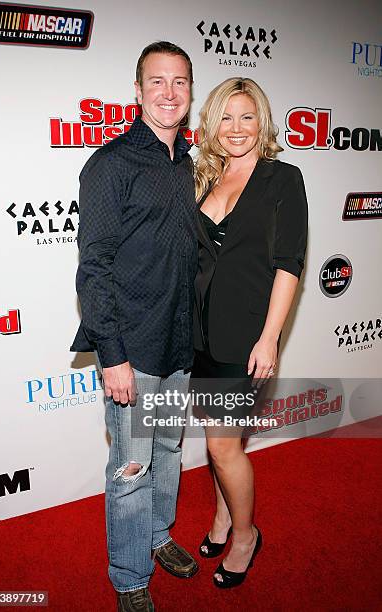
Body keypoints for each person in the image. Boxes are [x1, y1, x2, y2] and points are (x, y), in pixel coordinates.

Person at [71, 41, 199, 611]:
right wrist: (113, 354)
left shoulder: (189, 163)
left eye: (180, 82)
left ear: (191, 92)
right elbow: (92, 268)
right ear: (139, 90)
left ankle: (156, 535)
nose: (169, 92)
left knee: (168, 450)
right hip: (134, 351)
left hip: (178, 343)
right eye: (157, 81)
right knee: (132, 466)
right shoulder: (111, 164)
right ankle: (129, 577)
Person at [191, 77, 308, 588]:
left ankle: (245, 535)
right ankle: (221, 519)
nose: (236, 128)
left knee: (221, 447)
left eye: (247, 116)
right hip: (198, 336)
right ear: (212, 124)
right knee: (226, 439)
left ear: (262, 122)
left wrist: (269, 338)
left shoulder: (282, 179)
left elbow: (289, 264)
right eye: (225, 116)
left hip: (245, 338)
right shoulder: (204, 180)